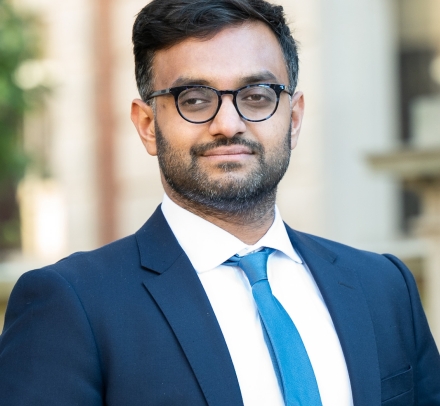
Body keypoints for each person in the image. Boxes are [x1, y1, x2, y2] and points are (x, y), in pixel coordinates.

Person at [1, 0, 439, 404]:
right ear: (147, 125)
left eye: (256, 96)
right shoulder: (71, 306)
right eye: (194, 100)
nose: (228, 124)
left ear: (295, 117)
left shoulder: (384, 288)